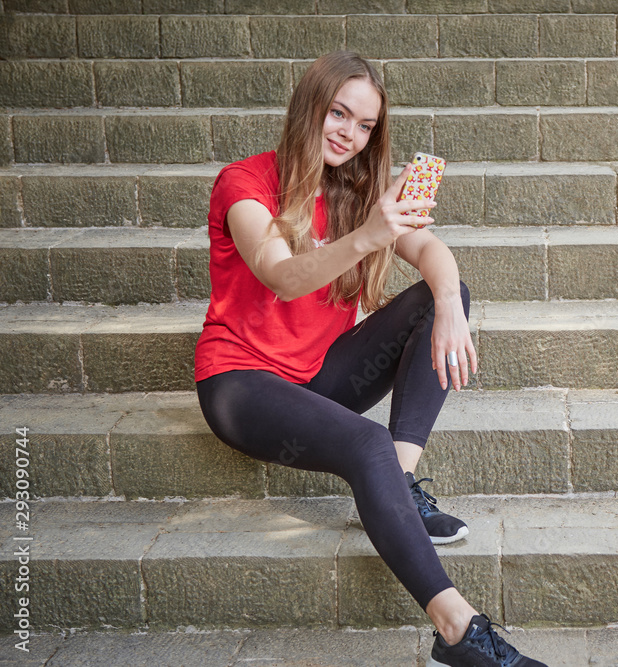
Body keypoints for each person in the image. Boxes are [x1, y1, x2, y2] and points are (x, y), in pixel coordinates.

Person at [193, 51, 546, 667]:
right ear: (311, 106)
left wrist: (450, 305)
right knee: (366, 446)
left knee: (444, 294)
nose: (348, 133)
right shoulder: (245, 184)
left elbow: (431, 250)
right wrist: (368, 236)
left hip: (316, 378)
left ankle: (401, 489)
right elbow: (281, 276)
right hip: (240, 385)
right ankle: (458, 630)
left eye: (363, 126)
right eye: (338, 113)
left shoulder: (356, 194)